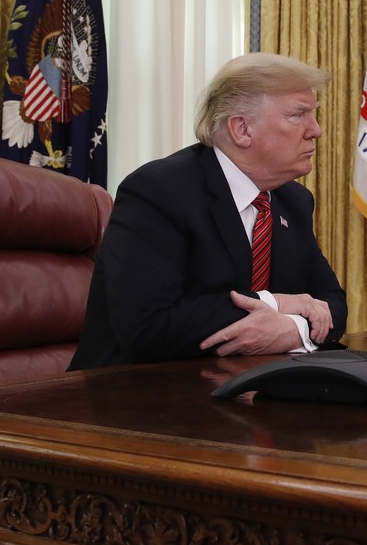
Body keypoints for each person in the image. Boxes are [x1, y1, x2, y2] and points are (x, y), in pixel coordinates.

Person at [69, 53, 348, 369]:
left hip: (237, 388)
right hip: (126, 396)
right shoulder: (158, 191)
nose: (316, 130)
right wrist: (276, 303)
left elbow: (333, 306)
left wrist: (292, 328)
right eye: (299, 115)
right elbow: (147, 328)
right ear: (241, 129)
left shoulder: (293, 201)